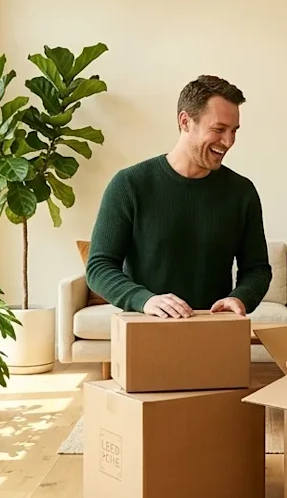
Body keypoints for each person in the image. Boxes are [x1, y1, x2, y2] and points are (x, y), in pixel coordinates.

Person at [86, 75, 272, 319]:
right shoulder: (129, 185)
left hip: (213, 330)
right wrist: (144, 300)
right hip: (147, 328)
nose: (228, 142)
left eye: (233, 131)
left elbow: (257, 269)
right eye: (218, 129)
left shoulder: (242, 192)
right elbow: (99, 268)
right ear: (185, 122)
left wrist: (240, 297)